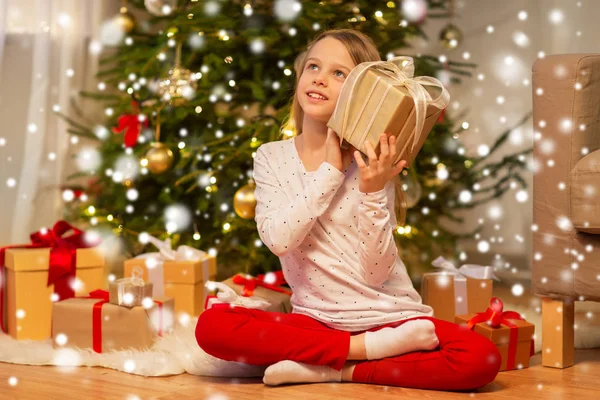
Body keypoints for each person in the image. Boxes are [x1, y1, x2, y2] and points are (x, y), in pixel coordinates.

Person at [196, 28, 501, 391]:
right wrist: (329, 172)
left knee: (480, 358)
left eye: (339, 74)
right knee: (212, 327)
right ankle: (358, 351)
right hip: (317, 322)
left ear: (362, 94)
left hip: (389, 320)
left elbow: (375, 273)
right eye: (313, 66)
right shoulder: (271, 157)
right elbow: (279, 239)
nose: (320, 78)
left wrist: (372, 190)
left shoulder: (372, 166)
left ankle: (335, 368)